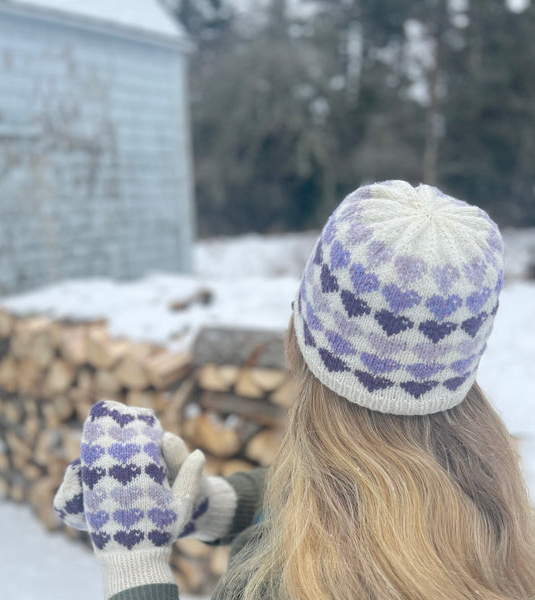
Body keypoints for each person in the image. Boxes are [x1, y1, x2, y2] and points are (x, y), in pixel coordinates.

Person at [54, 180, 535, 600]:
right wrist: (214, 505)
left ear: (300, 341)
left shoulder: (282, 585)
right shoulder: (493, 510)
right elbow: (343, 498)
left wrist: (135, 569)